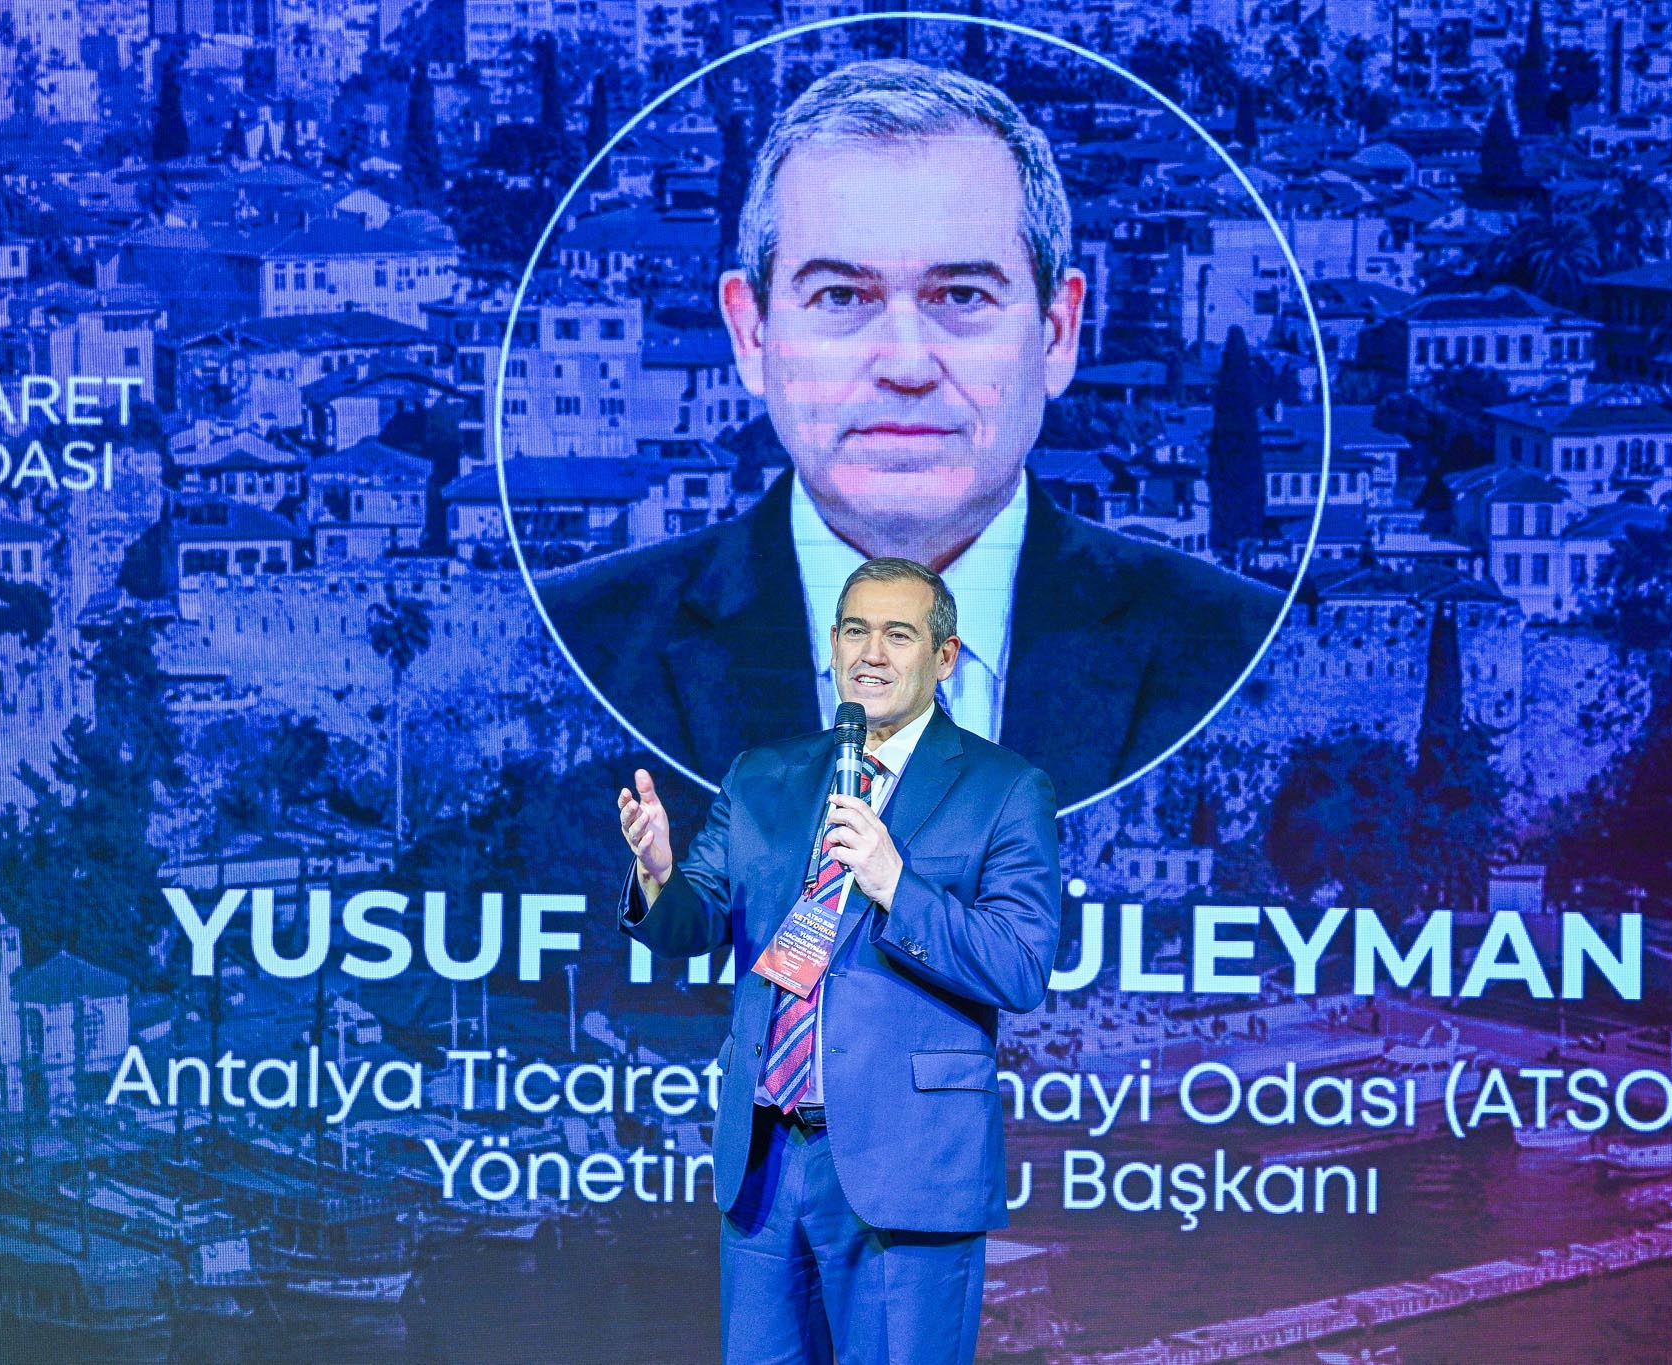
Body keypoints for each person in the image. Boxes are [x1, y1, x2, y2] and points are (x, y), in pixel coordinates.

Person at [545, 58, 1282, 809]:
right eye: (841, 296)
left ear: (1059, 333)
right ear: (751, 333)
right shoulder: (571, 645)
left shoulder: (1248, 653)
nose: (905, 364)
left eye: (962, 295)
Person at [616, 556, 1061, 1364]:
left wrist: (895, 884)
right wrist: (656, 873)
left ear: (945, 656)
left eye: (898, 635)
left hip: (907, 1165)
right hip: (766, 1159)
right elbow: (693, 919)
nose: (871, 653)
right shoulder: (763, 776)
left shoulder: (1003, 788)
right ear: (831, 645)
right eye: (855, 631)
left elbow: (1022, 963)